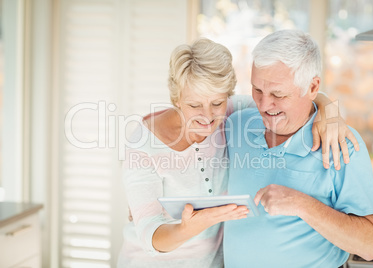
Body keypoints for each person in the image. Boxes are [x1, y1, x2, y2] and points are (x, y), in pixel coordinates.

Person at [117, 38, 357, 268]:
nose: (207, 116)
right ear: (176, 99)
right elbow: (150, 233)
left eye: (217, 103)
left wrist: (328, 108)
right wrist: (187, 228)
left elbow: (292, 103)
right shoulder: (142, 145)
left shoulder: (233, 112)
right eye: (194, 105)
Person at [223, 29, 373, 268]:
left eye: (278, 94)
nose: (265, 105)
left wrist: (302, 204)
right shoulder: (235, 124)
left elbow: (370, 246)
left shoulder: (341, 143)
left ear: (312, 87)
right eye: (257, 90)